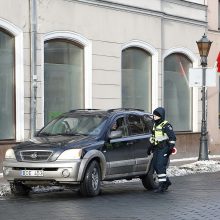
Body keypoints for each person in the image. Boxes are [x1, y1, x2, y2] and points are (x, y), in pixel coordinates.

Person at [149, 107, 176, 193]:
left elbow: (172, 137)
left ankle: (161, 186)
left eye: (156, 116)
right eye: (154, 115)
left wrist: (170, 148)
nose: (154, 117)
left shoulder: (166, 125)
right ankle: (166, 182)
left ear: (161, 116)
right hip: (157, 148)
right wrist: (150, 146)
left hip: (164, 148)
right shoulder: (155, 125)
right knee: (156, 166)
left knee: (160, 165)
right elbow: (153, 137)